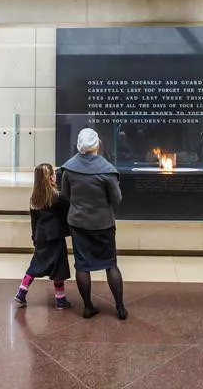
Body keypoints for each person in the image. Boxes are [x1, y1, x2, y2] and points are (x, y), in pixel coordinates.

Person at [61, 128, 126, 320]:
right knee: (110, 264)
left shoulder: (69, 168)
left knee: (82, 265)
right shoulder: (107, 170)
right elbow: (117, 200)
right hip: (103, 224)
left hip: (78, 223)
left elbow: (65, 195)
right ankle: (120, 307)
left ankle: (88, 307)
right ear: (97, 144)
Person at [14, 163, 71, 310]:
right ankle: (60, 300)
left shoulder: (34, 199)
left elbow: (34, 222)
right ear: (50, 177)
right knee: (58, 268)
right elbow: (67, 212)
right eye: (53, 173)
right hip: (55, 236)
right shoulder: (57, 197)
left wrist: (34, 238)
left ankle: (21, 293)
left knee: (35, 265)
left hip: (41, 237)